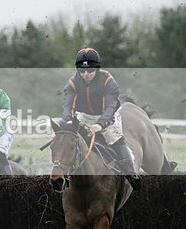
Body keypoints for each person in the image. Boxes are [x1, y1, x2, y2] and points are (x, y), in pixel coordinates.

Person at [60, 47, 141, 189]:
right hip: (84, 115)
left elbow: (109, 109)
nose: (86, 74)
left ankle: (131, 173)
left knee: (115, 139)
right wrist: (67, 120)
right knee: (68, 139)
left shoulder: (108, 81)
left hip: (107, 116)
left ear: (97, 68)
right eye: (82, 71)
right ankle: (63, 174)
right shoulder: (73, 82)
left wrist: (99, 125)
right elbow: (67, 105)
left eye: (90, 70)